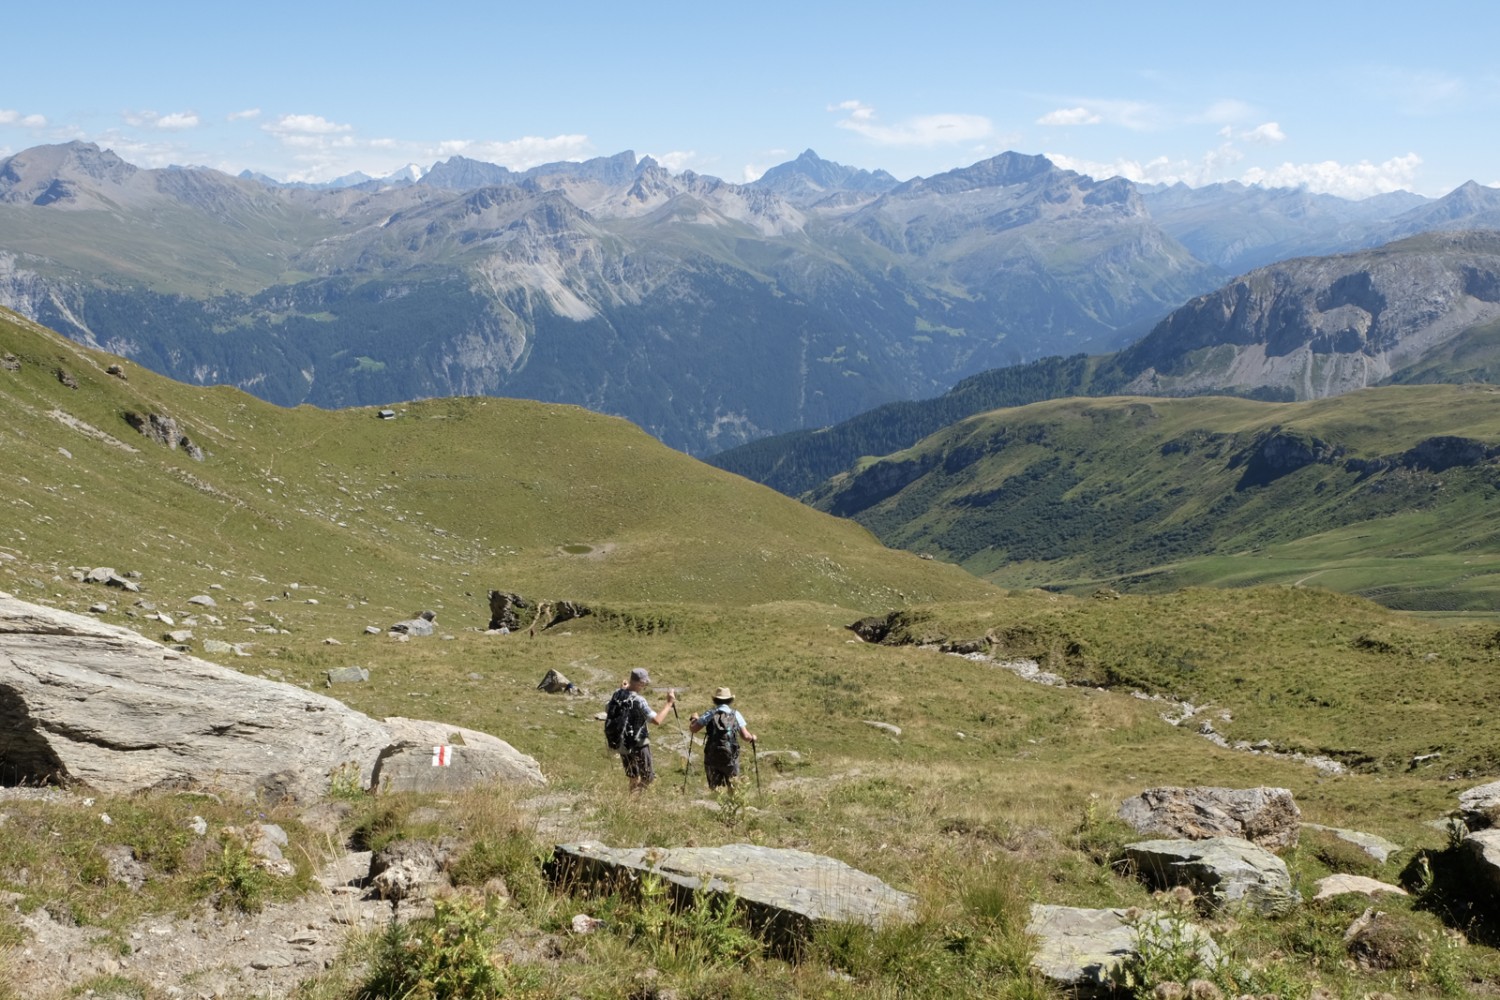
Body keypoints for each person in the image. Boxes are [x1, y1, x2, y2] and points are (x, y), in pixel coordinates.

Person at [609, 667, 676, 791]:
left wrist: (623, 690)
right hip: (639, 743)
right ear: (641, 683)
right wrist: (669, 703)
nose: (645, 685)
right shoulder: (639, 700)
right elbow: (657, 720)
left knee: (633, 776)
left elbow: (608, 709)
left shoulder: (617, 693)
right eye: (644, 683)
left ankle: (631, 802)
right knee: (647, 777)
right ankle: (635, 801)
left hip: (622, 742)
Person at [688, 686, 756, 790]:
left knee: (714, 787)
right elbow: (745, 736)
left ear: (715, 700)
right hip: (731, 757)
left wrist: (694, 719)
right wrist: (752, 737)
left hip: (712, 756)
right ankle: (733, 802)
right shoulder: (735, 714)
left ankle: (716, 801)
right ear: (730, 700)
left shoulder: (710, 714)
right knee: (734, 786)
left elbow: (694, 729)